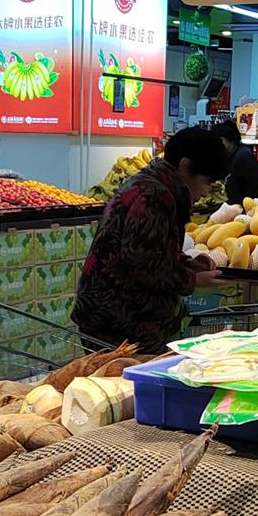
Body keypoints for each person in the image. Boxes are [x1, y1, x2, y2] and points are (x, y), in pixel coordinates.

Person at [73, 126, 228, 352]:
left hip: (113, 318)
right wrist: (192, 280)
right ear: (185, 166)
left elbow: (150, 249)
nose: (206, 192)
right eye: (207, 182)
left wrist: (185, 263)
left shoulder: (150, 186)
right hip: (121, 325)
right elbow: (142, 263)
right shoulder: (154, 197)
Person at [211, 118, 258, 204]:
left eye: (220, 141)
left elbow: (254, 191)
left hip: (244, 210)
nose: (216, 145)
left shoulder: (244, 157)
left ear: (231, 140)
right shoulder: (229, 154)